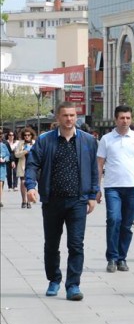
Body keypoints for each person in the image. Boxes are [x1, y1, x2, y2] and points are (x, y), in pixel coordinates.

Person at [24, 102, 99, 301]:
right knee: (51, 244)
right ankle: (54, 279)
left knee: (76, 245)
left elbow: (93, 170)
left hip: (77, 201)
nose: (69, 119)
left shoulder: (88, 141)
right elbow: (32, 164)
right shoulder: (45, 141)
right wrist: (31, 186)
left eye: (72, 115)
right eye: (65, 115)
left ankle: (73, 285)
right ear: (58, 118)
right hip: (52, 200)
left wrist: (93, 195)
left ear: (77, 117)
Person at [96, 105, 134, 273]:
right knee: (114, 220)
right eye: (122, 118)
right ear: (116, 119)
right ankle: (112, 258)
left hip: (133, 187)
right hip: (113, 187)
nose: (125, 121)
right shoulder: (106, 139)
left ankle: (122, 258)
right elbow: (99, 164)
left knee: (127, 225)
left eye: (128, 118)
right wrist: (96, 188)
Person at [14, 127, 37, 209]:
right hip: (23, 165)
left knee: (30, 182)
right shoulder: (20, 143)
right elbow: (16, 154)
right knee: (23, 182)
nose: (27, 136)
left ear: (31, 135)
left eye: (28, 135)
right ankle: (24, 200)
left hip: (32, 166)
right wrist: (25, 151)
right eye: (25, 135)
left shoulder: (35, 143)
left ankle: (29, 201)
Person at [0, 131, 9, 207]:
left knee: (0, 184)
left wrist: (5, 159)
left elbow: (8, 155)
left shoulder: (3, 146)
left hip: (1, 168)